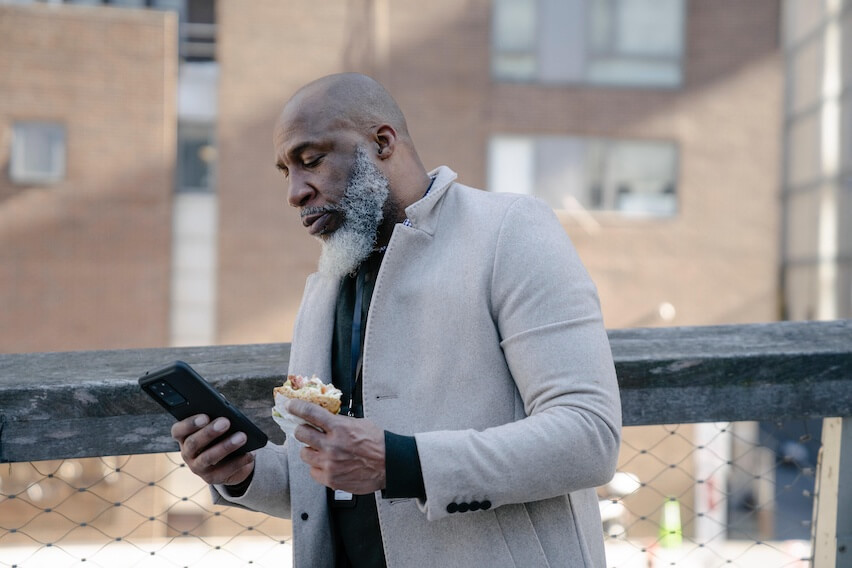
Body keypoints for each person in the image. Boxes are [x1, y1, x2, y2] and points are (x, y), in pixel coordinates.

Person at [171, 72, 622, 567]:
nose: (295, 193)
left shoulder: (511, 231)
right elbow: (324, 478)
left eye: (311, 160)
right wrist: (243, 470)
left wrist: (400, 462)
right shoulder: (325, 287)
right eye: (285, 171)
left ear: (382, 142)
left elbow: (588, 436)